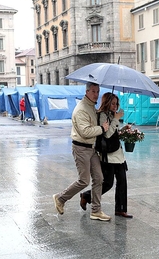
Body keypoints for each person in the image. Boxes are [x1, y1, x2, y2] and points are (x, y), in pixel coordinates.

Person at [53, 82, 111, 221]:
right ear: (86, 92)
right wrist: (102, 128)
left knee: (99, 178)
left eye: (98, 91)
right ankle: (60, 198)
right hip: (81, 148)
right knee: (84, 180)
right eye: (93, 91)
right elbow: (85, 132)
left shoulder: (91, 106)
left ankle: (96, 210)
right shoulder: (81, 109)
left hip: (91, 148)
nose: (96, 94)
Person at [80, 93, 133, 218]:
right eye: (113, 103)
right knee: (107, 183)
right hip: (108, 156)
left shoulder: (111, 115)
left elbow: (114, 134)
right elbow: (107, 134)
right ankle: (87, 195)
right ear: (106, 103)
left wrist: (123, 129)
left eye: (116, 104)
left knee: (122, 182)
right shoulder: (102, 115)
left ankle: (120, 209)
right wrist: (116, 118)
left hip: (118, 155)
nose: (115, 106)